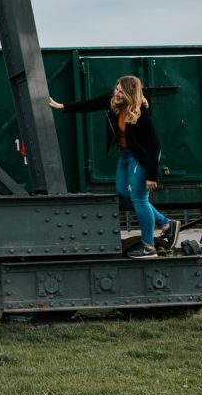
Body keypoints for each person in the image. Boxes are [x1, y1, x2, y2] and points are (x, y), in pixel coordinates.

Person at [48, 75, 179, 259]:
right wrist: (63, 107)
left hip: (141, 157)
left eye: (121, 92)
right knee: (123, 194)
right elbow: (90, 104)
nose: (116, 94)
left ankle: (149, 246)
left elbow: (154, 146)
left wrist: (152, 176)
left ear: (130, 94)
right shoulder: (112, 100)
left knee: (139, 198)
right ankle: (165, 224)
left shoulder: (140, 112)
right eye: (116, 89)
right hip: (125, 155)